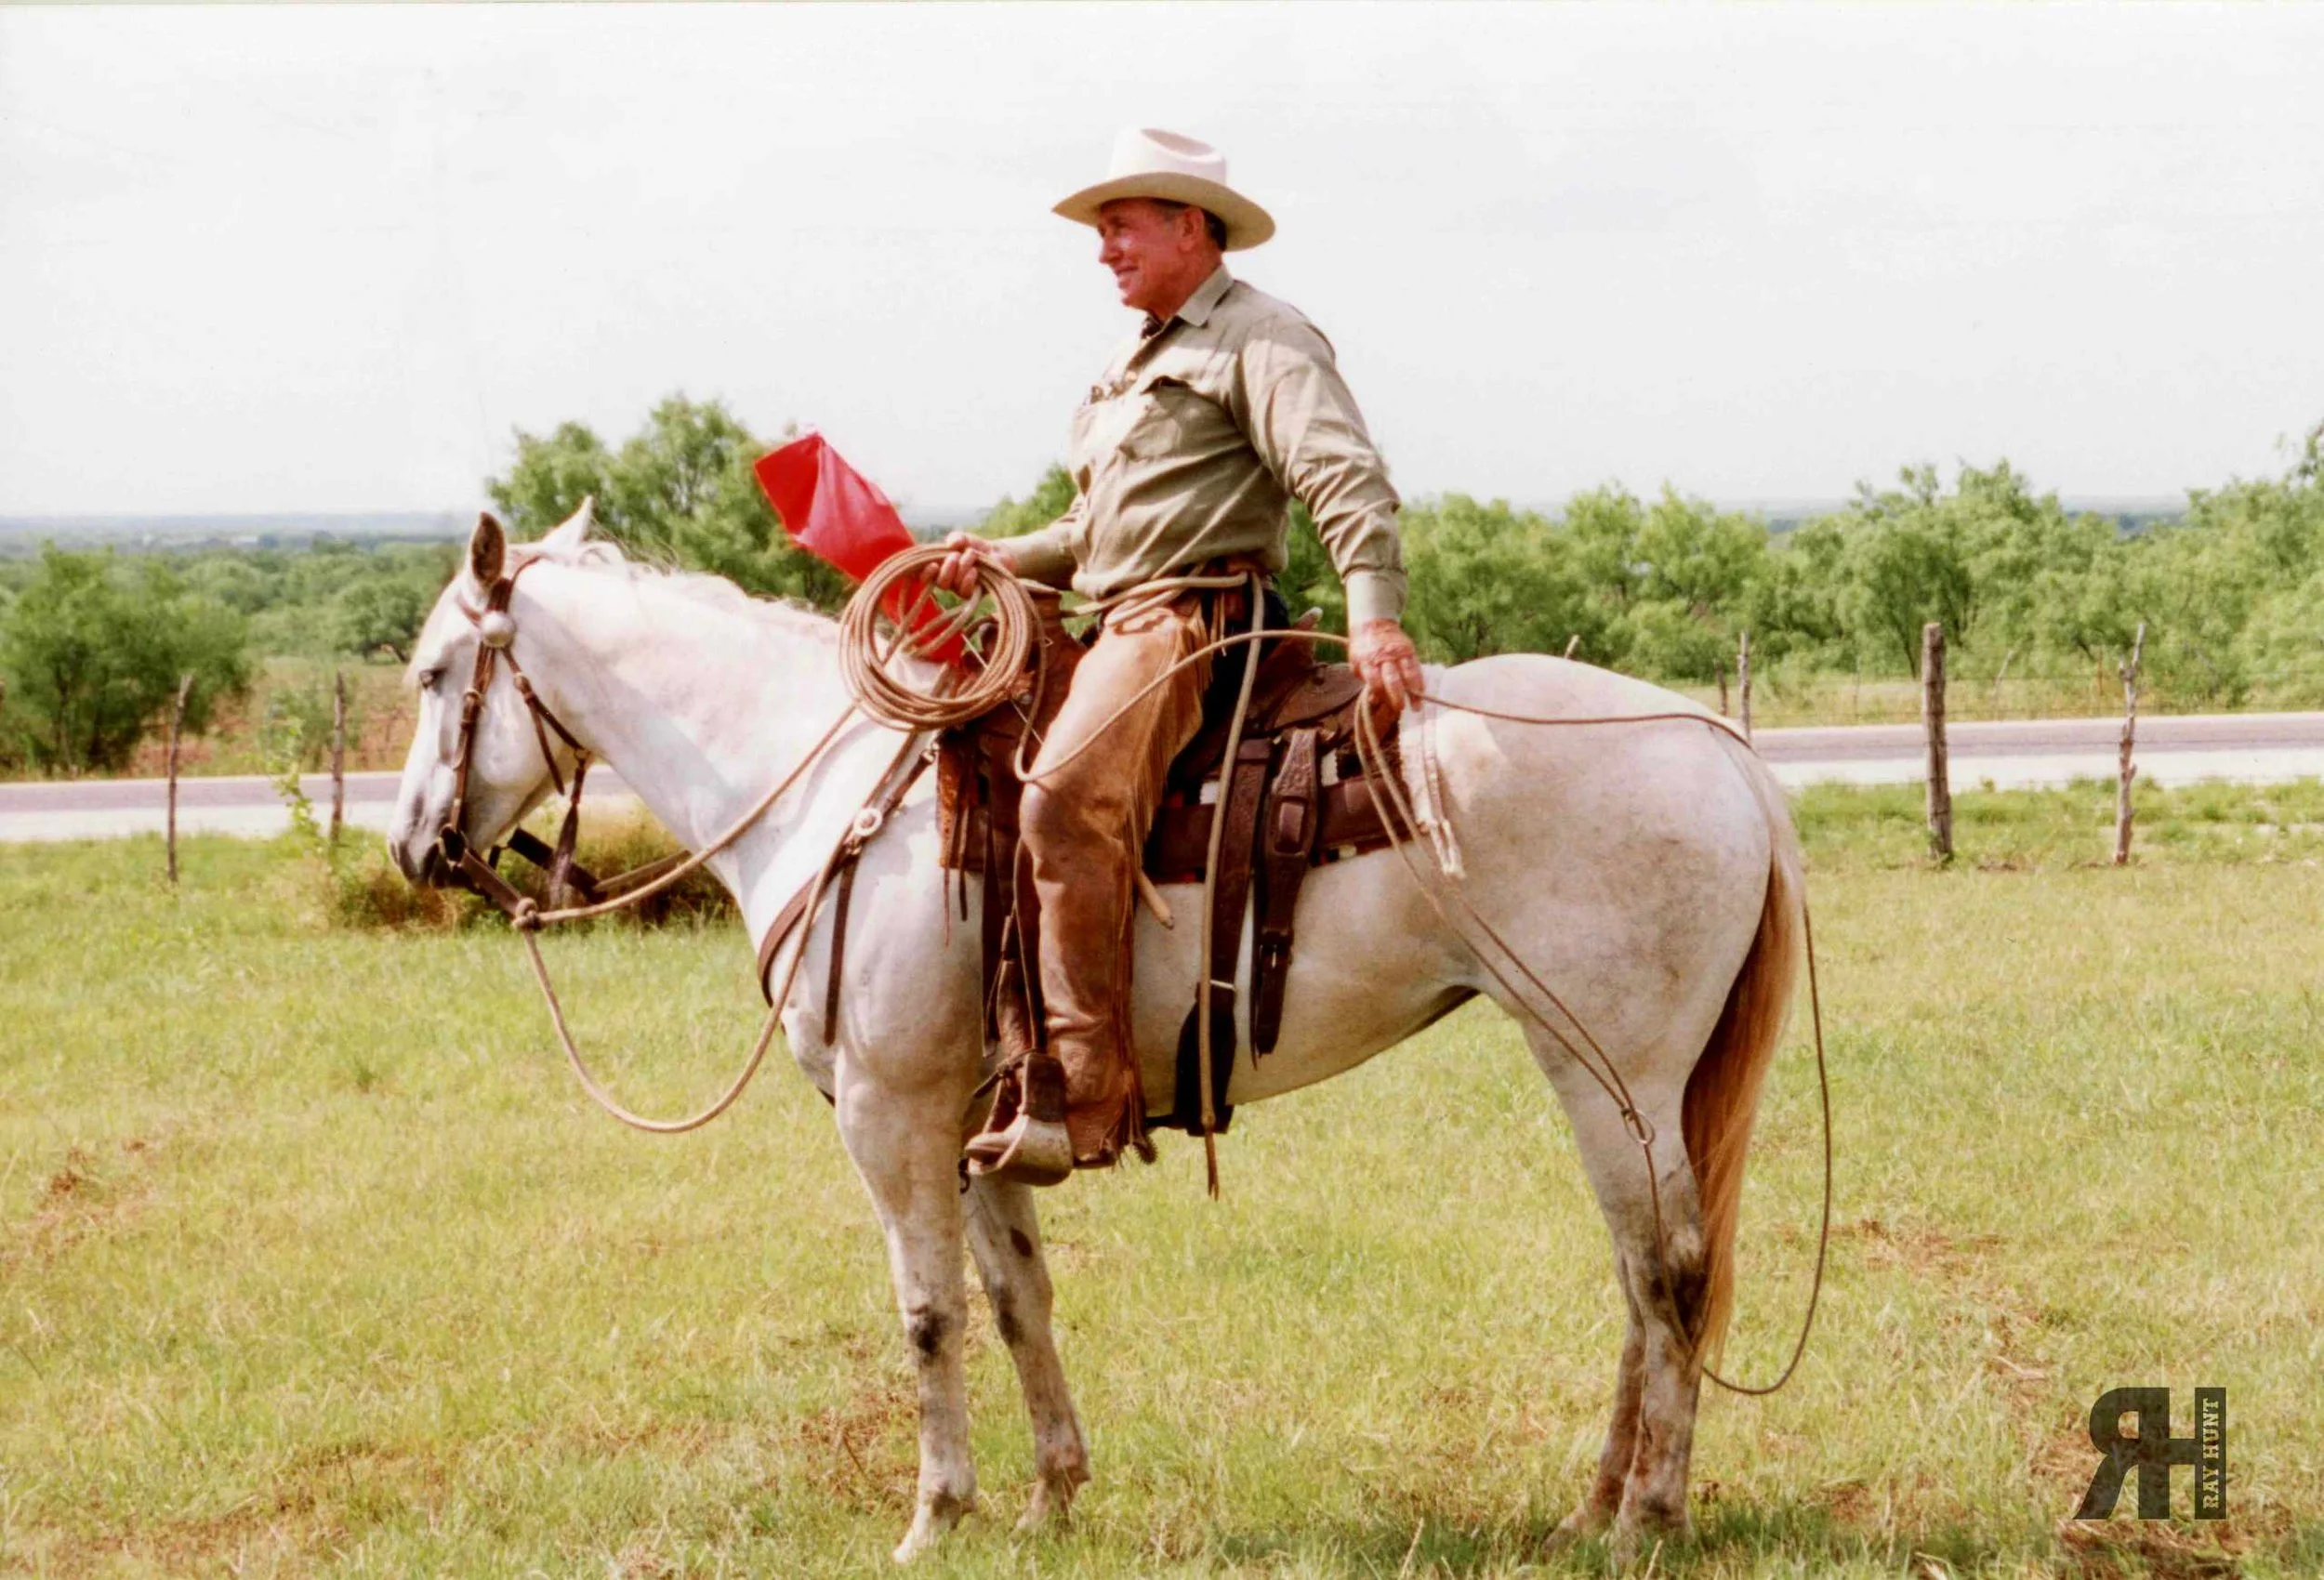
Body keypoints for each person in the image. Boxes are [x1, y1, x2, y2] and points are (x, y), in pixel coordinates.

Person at [939, 126, 1423, 1178]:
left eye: (1121, 227)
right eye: (1102, 231)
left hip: (1186, 618)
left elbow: (1342, 475)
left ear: (1190, 228)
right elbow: (1091, 532)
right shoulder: (1133, 361)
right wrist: (1002, 555)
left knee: (1060, 799)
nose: (1103, 249)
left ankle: (1081, 1088)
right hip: (1112, 607)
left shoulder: (1260, 336)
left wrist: (1374, 611)